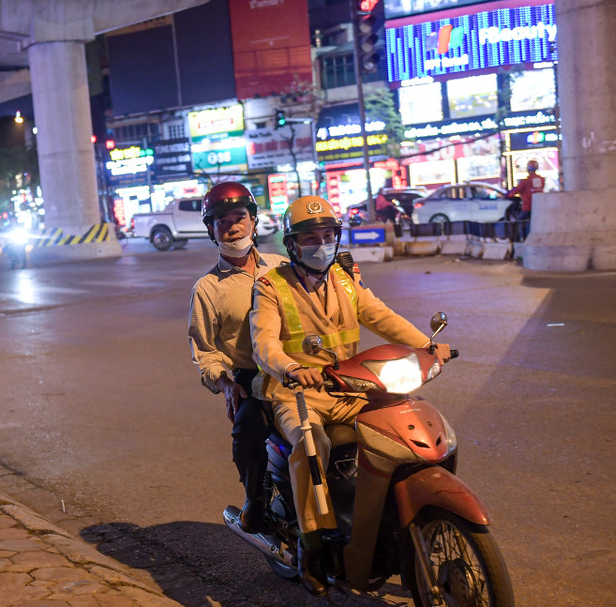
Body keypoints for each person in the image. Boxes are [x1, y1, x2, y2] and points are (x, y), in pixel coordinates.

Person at [249, 195, 451, 595]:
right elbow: (264, 343)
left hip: (348, 387)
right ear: (292, 244)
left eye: (328, 235)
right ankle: (311, 546)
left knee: (397, 428)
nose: (321, 245)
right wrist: (291, 368)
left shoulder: (346, 279)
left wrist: (426, 345)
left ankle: (383, 516)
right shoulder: (271, 286)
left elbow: (381, 316)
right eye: (311, 238)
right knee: (311, 444)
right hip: (296, 393)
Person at [188, 182, 287, 534]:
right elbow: (205, 350)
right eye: (222, 221)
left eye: (239, 217)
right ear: (211, 230)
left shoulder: (282, 267)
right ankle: (256, 499)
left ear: (253, 221)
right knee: (247, 431)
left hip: (298, 368)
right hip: (252, 377)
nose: (232, 226)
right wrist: (227, 385)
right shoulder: (208, 288)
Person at [506, 159, 546, 237]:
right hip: (539, 207)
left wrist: (508, 195)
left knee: (518, 221)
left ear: (528, 169)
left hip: (528, 206)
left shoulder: (525, 181)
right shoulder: (542, 179)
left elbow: (515, 191)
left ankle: (518, 237)